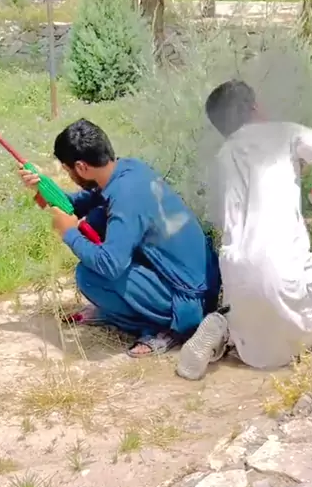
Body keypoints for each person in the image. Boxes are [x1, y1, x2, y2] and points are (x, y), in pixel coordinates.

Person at [177, 79, 312, 380]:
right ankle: (264, 329)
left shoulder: (223, 157)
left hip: (237, 287)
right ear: (255, 107)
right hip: (281, 281)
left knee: (260, 328)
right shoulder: (286, 133)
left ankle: (227, 328)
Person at [20, 119, 220, 356]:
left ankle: (164, 328)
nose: (70, 175)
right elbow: (77, 205)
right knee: (98, 217)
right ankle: (134, 311)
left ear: (81, 167)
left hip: (189, 303)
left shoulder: (125, 197)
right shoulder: (127, 170)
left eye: (68, 170)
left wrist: (69, 233)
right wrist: (44, 190)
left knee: (89, 276)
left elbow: (110, 264)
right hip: (200, 282)